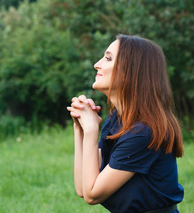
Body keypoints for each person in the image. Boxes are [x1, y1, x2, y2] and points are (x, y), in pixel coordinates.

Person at [67, 34, 184, 213]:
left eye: (108, 58)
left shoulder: (143, 132)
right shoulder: (117, 120)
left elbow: (92, 194)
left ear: (130, 71)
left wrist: (91, 130)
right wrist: (80, 128)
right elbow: (82, 188)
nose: (97, 64)